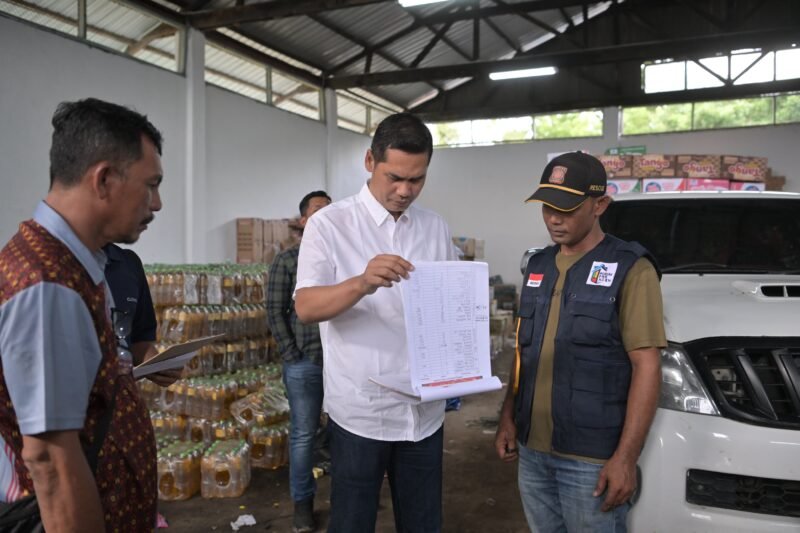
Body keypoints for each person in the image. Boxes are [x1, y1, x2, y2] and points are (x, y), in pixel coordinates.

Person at [0, 98, 164, 531]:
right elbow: (51, 460)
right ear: (105, 179)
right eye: (151, 185)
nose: (157, 203)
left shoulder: (72, 267)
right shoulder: (47, 285)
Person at [294, 113, 457, 533]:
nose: (405, 191)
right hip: (362, 411)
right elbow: (307, 306)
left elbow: (448, 306)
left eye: (417, 180)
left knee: (423, 522)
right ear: (369, 161)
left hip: (423, 412)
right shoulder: (330, 225)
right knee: (352, 521)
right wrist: (362, 282)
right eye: (395, 177)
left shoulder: (435, 227)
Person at [494, 151, 666, 533]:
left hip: (590, 460)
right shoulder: (538, 265)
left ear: (600, 204)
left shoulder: (631, 269)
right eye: (546, 207)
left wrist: (625, 457)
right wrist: (508, 417)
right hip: (532, 452)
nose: (554, 218)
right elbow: (525, 351)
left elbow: (647, 365)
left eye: (567, 208)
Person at [266, 190, 331, 533]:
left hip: (341, 366)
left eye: (330, 211)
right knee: (304, 434)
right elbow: (275, 313)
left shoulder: (342, 261)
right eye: (318, 211)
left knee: (346, 432)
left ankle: (347, 497)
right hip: (305, 362)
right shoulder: (288, 261)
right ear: (304, 221)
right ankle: (302, 506)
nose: (325, 216)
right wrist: (292, 354)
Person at [104, 243, 181, 387]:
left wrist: (158, 365)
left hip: (120, 397)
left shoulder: (128, 264)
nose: (148, 219)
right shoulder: (63, 264)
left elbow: (138, 339)